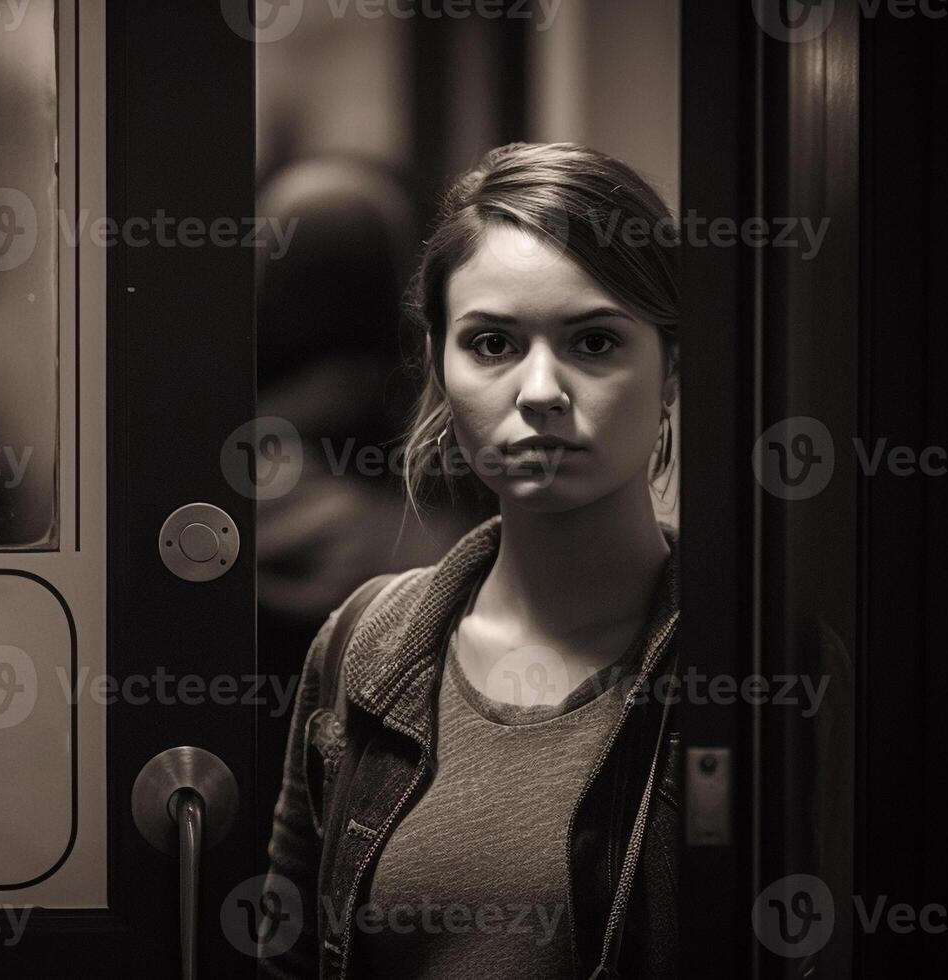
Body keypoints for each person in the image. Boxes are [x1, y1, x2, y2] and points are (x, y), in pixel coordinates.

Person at [261, 142, 683, 979]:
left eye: (594, 343)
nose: (538, 391)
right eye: (491, 343)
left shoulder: (759, 662)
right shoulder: (366, 644)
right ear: (439, 367)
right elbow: (291, 954)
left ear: (671, 370)